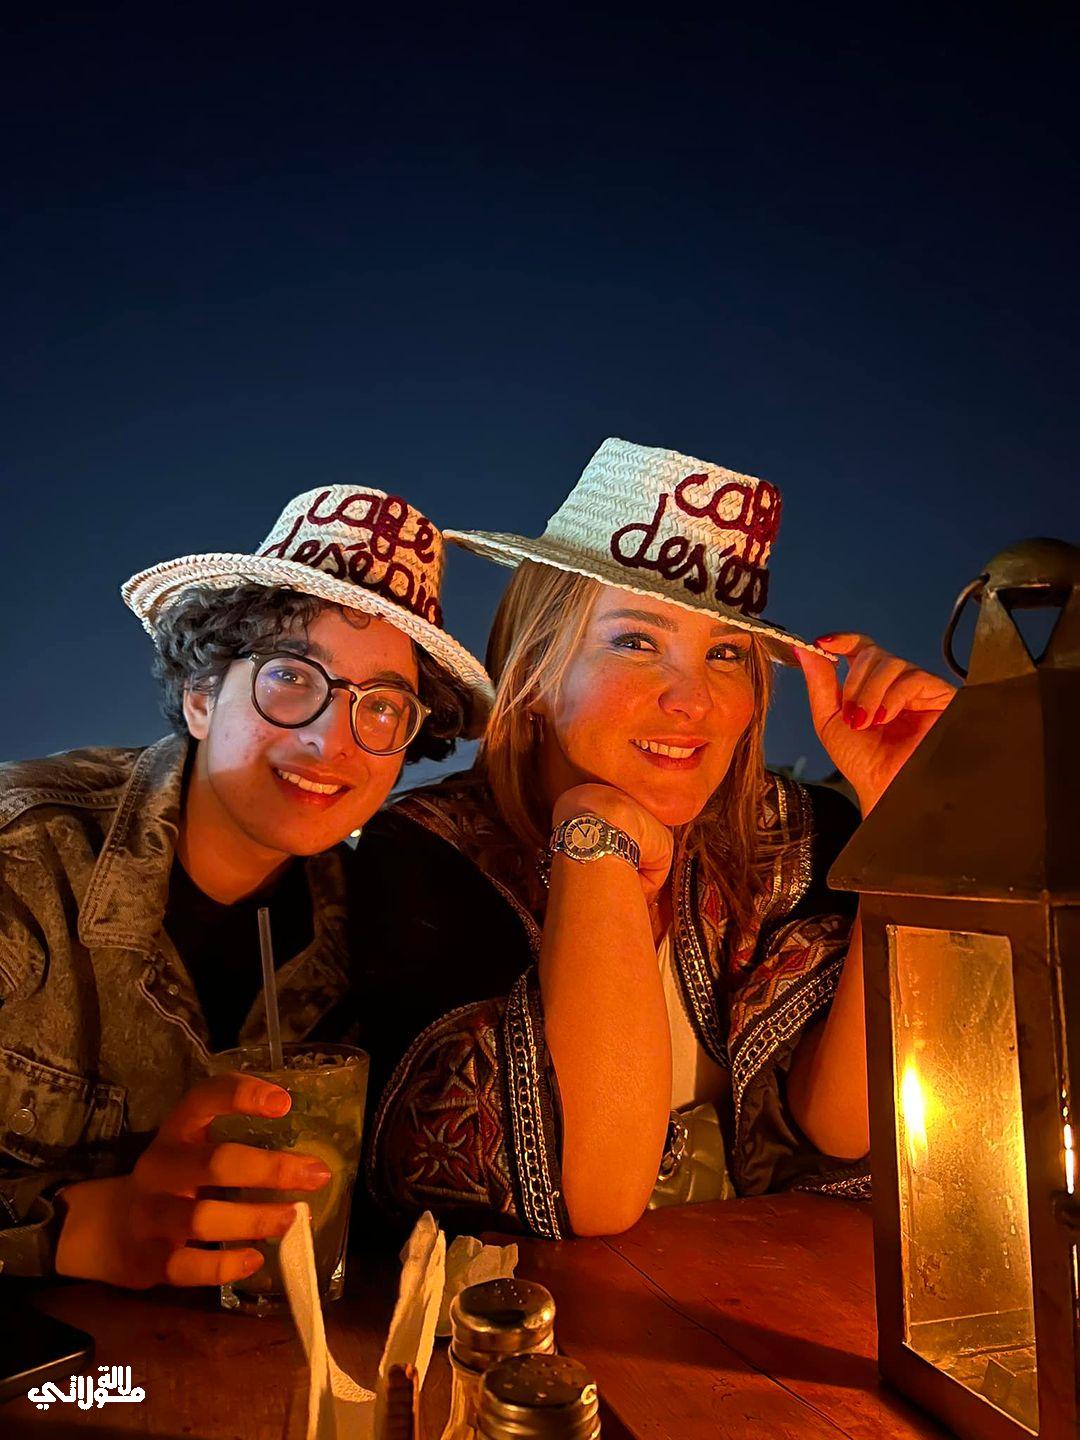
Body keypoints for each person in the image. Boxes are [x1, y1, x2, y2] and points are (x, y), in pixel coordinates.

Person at [351, 437, 954, 1238]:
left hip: (766, 1296)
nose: (692, 700)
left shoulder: (798, 833)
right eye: (636, 642)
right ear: (537, 674)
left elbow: (843, 1125)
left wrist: (906, 814)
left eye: (726, 653)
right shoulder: (427, 853)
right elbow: (596, 1192)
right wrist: (595, 832)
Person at [0, 485, 492, 1283]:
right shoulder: (20, 864)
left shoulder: (371, 926)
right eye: (292, 677)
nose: (332, 740)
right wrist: (80, 1229)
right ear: (201, 697)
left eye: (382, 706)